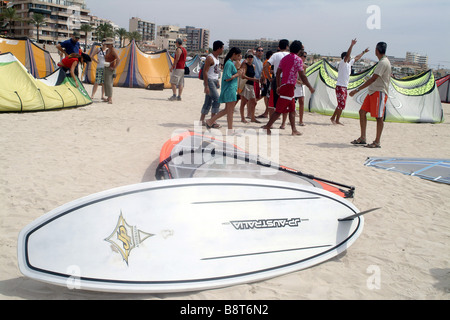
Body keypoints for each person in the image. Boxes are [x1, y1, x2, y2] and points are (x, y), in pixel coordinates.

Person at [262, 41, 315, 136]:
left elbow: (278, 73)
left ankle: (294, 130)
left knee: (292, 109)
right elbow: (302, 75)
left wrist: (278, 85)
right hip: (289, 86)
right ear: (299, 50)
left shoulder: (285, 58)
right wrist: (310, 87)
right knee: (279, 110)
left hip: (284, 85)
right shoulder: (298, 59)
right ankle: (267, 126)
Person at [349, 42, 391, 148]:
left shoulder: (383, 62)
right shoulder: (382, 62)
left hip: (379, 92)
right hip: (373, 91)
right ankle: (363, 137)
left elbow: (373, 78)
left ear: (377, 50)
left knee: (378, 117)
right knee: (362, 112)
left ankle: (377, 141)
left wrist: (357, 90)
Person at [331, 39, 369, 125]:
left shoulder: (349, 64)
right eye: (348, 57)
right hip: (340, 86)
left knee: (341, 104)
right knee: (341, 104)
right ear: (345, 58)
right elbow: (348, 55)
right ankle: (335, 119)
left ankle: (334, 118)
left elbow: (357, 58)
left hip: (344, 87)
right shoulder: (342, 63)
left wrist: (364, 52)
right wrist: (351, 45)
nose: (350, 58)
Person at [205, 47, 243, 134]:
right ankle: (228, 129)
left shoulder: (229, 63)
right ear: (234, 54)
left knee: (228, 110)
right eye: (238, 55)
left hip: (230, 89)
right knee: (230, 111)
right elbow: (227, 78)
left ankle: (211, 121)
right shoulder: (229, 64)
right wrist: (238, 74)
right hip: (230, 89)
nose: (239, 57)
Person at [263, 39, 290, 120]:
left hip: (276, 79)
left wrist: (269, 78)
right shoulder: (289, 55)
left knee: (272, 102)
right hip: (286, 80)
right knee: (285, 101)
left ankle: (271, 122)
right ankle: (283, 124)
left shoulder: (275, 55)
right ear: (287, 46)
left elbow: (265, 67)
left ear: (279, 46)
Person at [200, 40, 224, 128]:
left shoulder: (217, 58)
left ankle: (201, 120)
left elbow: (215, 72)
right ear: (218, 48)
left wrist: (217, 81)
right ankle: (212, 121)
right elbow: (205, 72)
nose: (223, 50)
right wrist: (206, 85)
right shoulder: (210, 58)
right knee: (217, 99)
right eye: (222, 48)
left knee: (208, 101)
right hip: (209, 81)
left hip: (214, 80)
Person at [239, 52, 260, 123]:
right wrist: (253, 79)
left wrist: (255, 79)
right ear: (246, 58)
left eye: (251, 57)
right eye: (249, 57)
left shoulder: (253, 66)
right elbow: (243, 76)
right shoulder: (245, 65)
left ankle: (252, 117)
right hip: (246, 85)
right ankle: (242, 118)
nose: (250, 58)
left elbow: (252, 75)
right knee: (243, 103)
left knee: (254, 102)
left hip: (251, 85)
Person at [257, 50, 273, 119]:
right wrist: (264, 79)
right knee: (265, 95)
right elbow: (263, 71)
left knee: (266, 96)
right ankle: (267, 112)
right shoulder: (267, 62)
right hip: (267, 80)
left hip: (267, 80)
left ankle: (267, 112)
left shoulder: (267, 62)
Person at [103, 37, 120, 105]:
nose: (106, 45)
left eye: (108, 44)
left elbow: (118, 59)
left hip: (110, 68)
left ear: (111, 44)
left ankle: (110, 98)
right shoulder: (107, 50)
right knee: (106, 83)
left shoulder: (113, 51)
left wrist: (114, 67)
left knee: (109, 83)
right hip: (106, 67)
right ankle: (108, 97)